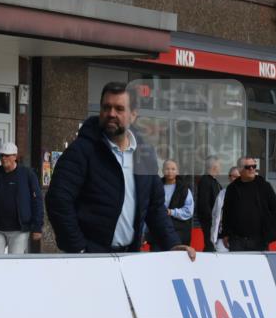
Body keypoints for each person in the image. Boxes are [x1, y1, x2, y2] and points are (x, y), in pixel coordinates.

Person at [45, 82, 195, 259]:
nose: (111, 114)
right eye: (106, 107)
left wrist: (173, 244)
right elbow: (58, 200)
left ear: (133, 115)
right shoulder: (81, 151)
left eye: (119, 108)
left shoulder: (145, 155)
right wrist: (78, 249)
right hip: (90, 260)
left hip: (129, 259)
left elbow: (155, 207)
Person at [0, 142, 43, 255]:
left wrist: (37, 227)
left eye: (7, 155)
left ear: (15, 156)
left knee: (15, 265)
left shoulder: (27, 174)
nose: (3, 158)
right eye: (1, 155)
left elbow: (37, 201)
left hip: (19, 230)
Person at [219, 156, 276, 251]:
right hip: (237, 240)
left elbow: (275, 209)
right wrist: (225, 233)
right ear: (240, 170)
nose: (252, 169)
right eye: (248, 167)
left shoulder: (264, 186)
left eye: (254, 166)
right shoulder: (232, 188)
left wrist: (270, 232)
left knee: (258, 266)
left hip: (260, 240)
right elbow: (227, 212)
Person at [153, 159, 194, 249]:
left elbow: (189, 211)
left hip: (179, 233)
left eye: (173, 169)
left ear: (177, 171)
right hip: (159, 231)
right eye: (167, 168)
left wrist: (171, 212)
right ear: (163, 170)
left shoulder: (184, 188)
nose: (170, 171)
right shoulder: (156, 186)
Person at [210, 167, 241, 253]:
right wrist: (214, 236)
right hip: (222, 236)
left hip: (239, 238)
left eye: (237, 176)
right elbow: (215, 214)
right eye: (232, 176)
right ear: (229, 177)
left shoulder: (246, 194)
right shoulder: (222, 193)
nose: (234, 179)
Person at [195, 156, 223, 251]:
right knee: (210, 246)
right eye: (219, 165)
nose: (221, 168)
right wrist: (212, 220)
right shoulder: (206, 181)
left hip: (215, 222)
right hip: (210, 222)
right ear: (214, 167)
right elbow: (204, 204)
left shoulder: (213, 181)